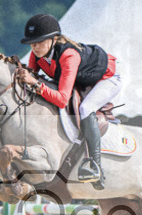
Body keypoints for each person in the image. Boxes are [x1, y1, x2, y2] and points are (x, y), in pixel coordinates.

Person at [16, 13, 124, 187]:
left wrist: (35, 83)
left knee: (85, 108)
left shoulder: (68, 56)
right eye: (32, 43)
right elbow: (30, 76)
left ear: (53, 40)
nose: (34, 47)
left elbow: (61, 100)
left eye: (39, 42)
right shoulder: (37, 54)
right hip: (83, 79)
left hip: (108, 77)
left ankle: (95, 165)